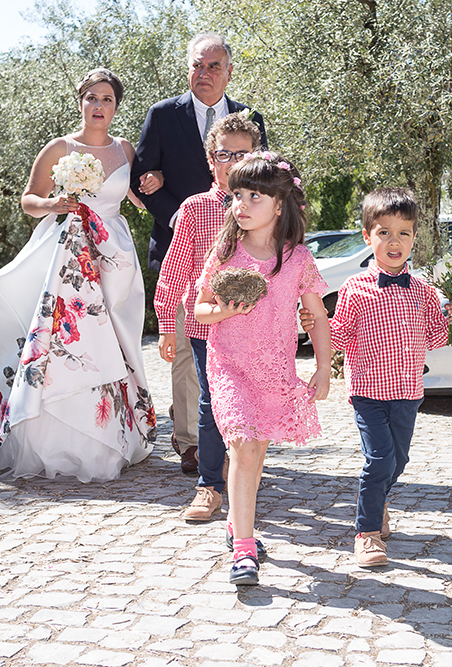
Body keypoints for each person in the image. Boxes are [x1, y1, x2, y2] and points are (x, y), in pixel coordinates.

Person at [0, 68, 163, 483]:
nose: (99, 106)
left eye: (107, 99)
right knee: (70, 338)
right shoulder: (59, 147)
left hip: (115, 255)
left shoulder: (127, 150)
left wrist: (157, 182)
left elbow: (142, 194)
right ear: (80, 102)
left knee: (118, 341)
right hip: (69, 253)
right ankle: (56, 436)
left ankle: (117, 431)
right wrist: (55, 204)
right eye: (91, 97)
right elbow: (28, 200)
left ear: (116, 106)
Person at [131, 33, 268, 475]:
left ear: (229, 72)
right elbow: (140, 178)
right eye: (197, 65)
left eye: (213, 66)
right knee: (190, 353)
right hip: (182, 247)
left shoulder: (250, 118)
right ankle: (191, 442)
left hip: (244, 253)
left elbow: (267, 179)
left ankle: (233, 437)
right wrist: (181, 218)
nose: (203, 73)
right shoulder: (162, 114)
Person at [194, 152, 331, 586]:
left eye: (255, 195)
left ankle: (239, 521)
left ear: (279, 204)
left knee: (256, 460)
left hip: (273, 371)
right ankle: (244, 550)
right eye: (237, 194)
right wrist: (224, 312)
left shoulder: (297, 259)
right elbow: (199, 310)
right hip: (229, 364)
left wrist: (324, 369)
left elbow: (318, 315)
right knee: (244, 450)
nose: (243, 204)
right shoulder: (224, 252)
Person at [329, 187, 452, 567]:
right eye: (384, 232)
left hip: (408, 391)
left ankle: (377, 501)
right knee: (379, 460)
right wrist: (317, 326)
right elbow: (340, 335)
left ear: (414, 238)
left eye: (403, 233)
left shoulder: (423, 291)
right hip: (368, 392)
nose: (395, 241)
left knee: (398, 461)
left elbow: (436, 336)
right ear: (367, 236)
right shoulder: (354, 288)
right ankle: (367, 532)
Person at [152, 113, 261, 523]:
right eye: (223, 154)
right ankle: (209, 487)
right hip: (205, 325)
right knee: (212, 403)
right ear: (209, 158)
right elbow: (175, 270)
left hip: (256, 326)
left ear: (257, 157)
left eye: (242, 154)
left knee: (251, 401)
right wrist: (166, 323)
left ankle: (246, 472)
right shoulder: (196, 209)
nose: (232, 162)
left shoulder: (271, 205)